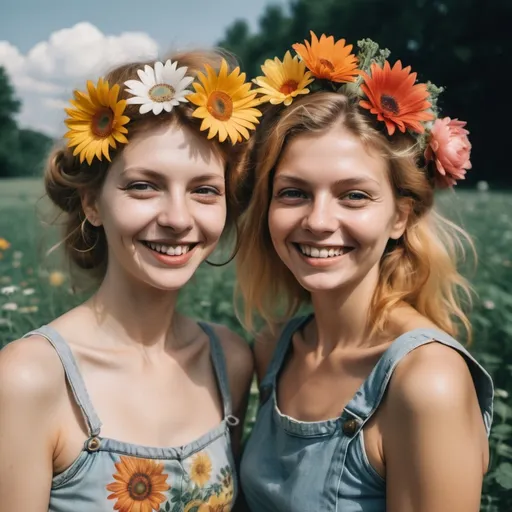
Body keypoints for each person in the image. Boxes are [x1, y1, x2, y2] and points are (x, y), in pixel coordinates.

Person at [236, 33, 493, 511]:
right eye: (293, 192)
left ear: (401, 216)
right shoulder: (274, 348)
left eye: (354, 195)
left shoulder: (425, 382)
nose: (317, 221)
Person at [0, 49, 258, 511]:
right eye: (144, 185)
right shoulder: (29, 379)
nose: (178, 218)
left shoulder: (229, 361)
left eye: (204, 190)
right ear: (92, 204)